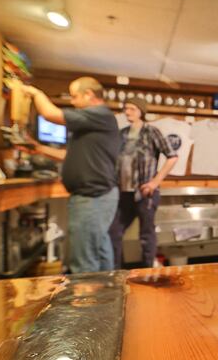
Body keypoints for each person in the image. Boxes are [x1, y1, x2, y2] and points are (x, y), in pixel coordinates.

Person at [22, 77, 121, 273]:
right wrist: (38, 148)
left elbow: (50, 114)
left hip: (92, 197)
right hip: (97, 196)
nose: (72, 102)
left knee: (84, 262)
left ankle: (89, 301)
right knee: (98, 250)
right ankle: (107, 295)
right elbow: (68, 155)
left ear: (89, 95)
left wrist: (35, 93)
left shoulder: (99, 114)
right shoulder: (95, 122)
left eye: (75, 97)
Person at [109, 98, 178, 269]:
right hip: (123, 192)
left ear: (141, 111)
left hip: (145, 192)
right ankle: (116, 272)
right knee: (114, 232)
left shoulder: (152, 131)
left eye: (132, 108)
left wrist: (155, 182)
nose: (128, 112)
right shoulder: (122, 133)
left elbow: (172, 156)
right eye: (126, 109)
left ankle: (147, 271)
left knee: (146, 235)